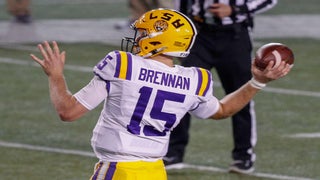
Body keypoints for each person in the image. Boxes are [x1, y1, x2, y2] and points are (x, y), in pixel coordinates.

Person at [30, 8, 290, 180]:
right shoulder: (194, 79)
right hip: (156, 171)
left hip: (118, 169)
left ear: (158, 39)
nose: (137, 37)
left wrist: (56, 76)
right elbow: (223, 110)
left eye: (143, 33)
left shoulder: (123, 64)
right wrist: (257, 82)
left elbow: (68, 111)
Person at [165, 0, 278, 174]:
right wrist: (182, 37)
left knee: (242, 95)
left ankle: (243, 156)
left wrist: (235, 9)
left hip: (235, 35)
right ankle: (173, 152)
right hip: (200, 34)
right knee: (182, 90)